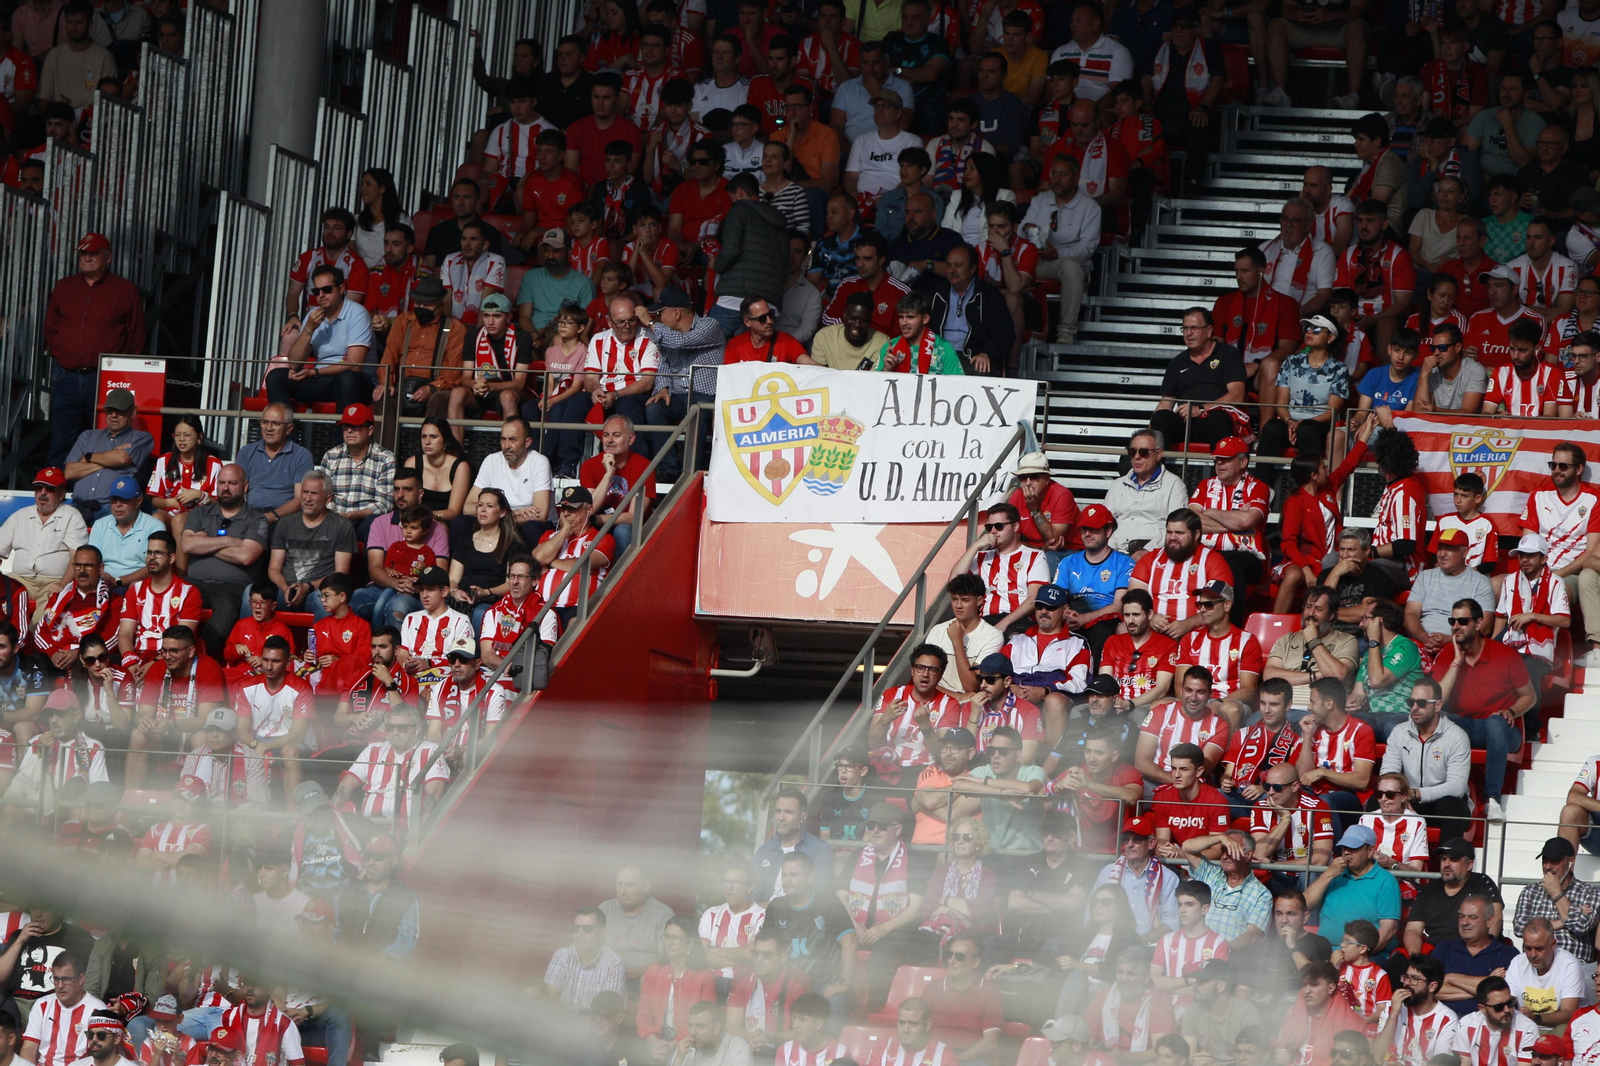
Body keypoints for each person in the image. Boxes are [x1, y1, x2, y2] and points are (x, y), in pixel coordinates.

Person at [43, 232, 145, 470]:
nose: (87, 258)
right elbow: (50, 328)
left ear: (107, 257)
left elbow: (136, 336)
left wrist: (118, 371)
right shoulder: (64, 286)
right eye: (83, 253)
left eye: (93, 253)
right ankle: (53, 487)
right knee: (60, 438)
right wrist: (63, 353)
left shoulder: (125, 289)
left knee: (107, 438)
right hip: (66, 374)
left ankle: (96, 492)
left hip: (105, 378)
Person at [1432, 597, 1535, 824]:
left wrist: (1511, 711)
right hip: (1465, 726)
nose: (1456, 626)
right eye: (1452, 621)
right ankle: (1454, 791)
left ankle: (1492, 800)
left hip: (1502, 728)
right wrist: (1457, 662)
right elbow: (1434, 701)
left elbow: (1530, 696)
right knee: (1437, 719)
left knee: (1495, 721)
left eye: (1463, 621)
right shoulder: (1449, 654)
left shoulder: (1505, 654)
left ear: (1479, 624)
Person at [759, 853, 857, 1021]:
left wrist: (844, 982)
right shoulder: (776, 906)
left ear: (810, 877)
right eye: (785, 875)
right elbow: (764, 945)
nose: (787, 880)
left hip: (822, 987)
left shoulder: (829, 903)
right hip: (787, 984)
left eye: (794, 875)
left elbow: (850, 942)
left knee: (834, 1006)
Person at [269, 265, 373, 413]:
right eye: (316, 291)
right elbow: (294, 363)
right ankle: (288, 432)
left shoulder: (357, 313)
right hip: (322, 379)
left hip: (355, 382)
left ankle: (343, 435)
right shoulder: (313, 315)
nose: (321, 295)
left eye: (327, 290)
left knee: (347, 378)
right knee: (276, 376)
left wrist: (314, 373)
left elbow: (355, 364)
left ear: (342, 289)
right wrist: (308, 329)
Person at [1023, 154, 1099, 345]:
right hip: (1037, 259)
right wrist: (1028, 230)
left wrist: (1057, 254)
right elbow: (1021, 229)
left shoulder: (1090, 207)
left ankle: (1066, 332)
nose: (1056, 179)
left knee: (1071, 267)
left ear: (1076, 177)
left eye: (1063, 174)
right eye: (1054, 173)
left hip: (1066, 263)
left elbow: (1087, 247)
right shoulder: (1040, 200)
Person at [1378, 678, 1473, 829]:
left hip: (1440, 802)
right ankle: (1377, 851)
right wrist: (1400, 795)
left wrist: (1416, 793)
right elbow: (1388, 773)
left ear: (1438, 705)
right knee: (1376, 800)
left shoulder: (1456, 736)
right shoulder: (1399, 732)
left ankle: (1447, 853)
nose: (1414, 708)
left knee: (1452, 806)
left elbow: (1457, 787)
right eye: (1411, 703)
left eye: (1421, 703)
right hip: (1407, 799)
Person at [1129, 509, 1235, 642]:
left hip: (1196, 633)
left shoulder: (1213, 560)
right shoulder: (1150, 559)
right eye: (1169, 532)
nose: (1173, 537)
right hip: (1151, 631)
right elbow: (1132, 599)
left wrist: (1188, 624)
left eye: (1179, 533)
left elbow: (1221, 605)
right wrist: (1150, 617)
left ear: (1196, 534)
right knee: (1122, 630)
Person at [266, 469, 356, 623]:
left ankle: (325, 647)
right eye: (305, 492)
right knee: (253, 594)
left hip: (318, 592)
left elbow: (340, 574)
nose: (307, 498)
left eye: (314, 493)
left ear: (328, 498)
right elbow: (274, 568)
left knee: (328, 601)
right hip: (285, 590)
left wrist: (307, 586)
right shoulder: (285, 523)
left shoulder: (341, 526)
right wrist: (285, 588)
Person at [710, 174, 789, 338]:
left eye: (732, 199)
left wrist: (715, 265)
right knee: (756, 358)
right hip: (769, 303)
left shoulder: (739, 210)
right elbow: (785, 266)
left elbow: (731, 251)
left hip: (734, 297)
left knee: (709, 347)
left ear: (739, 192)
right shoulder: (779, 223)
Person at [62, 389, 153, 526]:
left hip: (112, 508)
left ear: (132, 412)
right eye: (110, 411)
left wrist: (88, 457)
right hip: (78, 507)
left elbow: (122, 459)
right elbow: (69, 472)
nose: (114, 415)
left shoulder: (141, 438)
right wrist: (110, 457)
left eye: (120, 411)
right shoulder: (87, 436)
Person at [1302, 824, 1400, 951]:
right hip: (1324, 952)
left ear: (1370, 851)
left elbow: (1388, 929)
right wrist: (1329, 874)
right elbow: (1304, 905)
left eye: (1353, 848)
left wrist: (1358, 955)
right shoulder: (1333, 874)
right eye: (1344, 847)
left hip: (1364, 956)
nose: (1346, 852)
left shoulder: (1386, 881)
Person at [115, 532, 200, 672]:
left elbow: (183, 640)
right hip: (137, 656)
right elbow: (125, 633)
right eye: (149, 553)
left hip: (171, 660)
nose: (152, 558)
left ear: (172, 558)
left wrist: (154, 664)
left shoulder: (189, 593)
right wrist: (130, 661)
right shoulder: (135, 590)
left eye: (158, 553)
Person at [0, 469, 86, 606]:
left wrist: (63, 582)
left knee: (44, 621)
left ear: (61, 494)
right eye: (38, 488)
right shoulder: (19, 516)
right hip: (19, 579)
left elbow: (78, 555)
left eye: (50, 488)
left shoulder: (72, 516)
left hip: (54, 582)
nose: (43, 492)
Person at [1514, 837, 1600, 969]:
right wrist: (1563, 921)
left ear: (1571, 860)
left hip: (1576, 967)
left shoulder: (1589, 892)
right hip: (1537, 966)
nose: (1548, 866)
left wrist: (1556, 893)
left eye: (1555, 861)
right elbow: (1520, 927)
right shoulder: (1531, 891)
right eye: (1545, 860)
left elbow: (1581, 926)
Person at [1090, 815, 1181, 938]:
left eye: (1137, 839)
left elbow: (1171, 922)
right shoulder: (1107, 872)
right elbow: (1091, 911)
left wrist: (1140, 942)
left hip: (1148, 944)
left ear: (1151, 843)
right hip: (1108, 938)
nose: (1130, 844)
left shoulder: (1168, 878)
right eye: (1125, 839)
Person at [722, 927, 810, 1053]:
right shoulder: (742, 977)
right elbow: (731, 1027)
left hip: (787, 1051)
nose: (759, 960)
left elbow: (806, 1032)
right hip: (748, 1049)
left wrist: (773, 1038)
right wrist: (751, 1037)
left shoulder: (798, 981)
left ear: (783, 958)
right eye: (755, 955)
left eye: (766, 955)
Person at [1430, 896, 1518, 1016]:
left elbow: (1503, 997)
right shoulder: (1444, 949)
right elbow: (1430, 989)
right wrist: (1487, 985)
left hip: (1487, 1025)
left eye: (1472, 917)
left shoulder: (1508, 955)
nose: (1465, 922)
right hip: (1443, 1021)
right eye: (1462, 916)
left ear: (1489, 921)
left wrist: (1451, 978)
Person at [18, 952, 105, 1066]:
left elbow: (101, 1057)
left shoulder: (98, 1010)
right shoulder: (42, 1005)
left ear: (81, 979)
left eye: (66, 979)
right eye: (56, 979)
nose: (59, 985)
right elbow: (28, 1049)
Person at [1275, 962, 1367, 1066]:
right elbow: (1282, 1058)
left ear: (1331, 988)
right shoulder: (1292, 1013)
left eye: (1314, 985)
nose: (1307, 991)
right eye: (1305, 985)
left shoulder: (1352, 1022)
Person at [752, 789, 834, 903]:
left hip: (799, 916)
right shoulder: (765, 850)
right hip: (761, 916)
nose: (781, 818)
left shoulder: (819, 849)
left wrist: (771, 908)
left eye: (788, 812)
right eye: (778, 811)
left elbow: (819, 893)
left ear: (803, 817)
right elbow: (751, 892)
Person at [235, 406, 314, 523]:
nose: (269, 428)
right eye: (265, 422)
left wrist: (272, 516)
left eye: (276, 423)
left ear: (289, 428)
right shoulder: (246, 452)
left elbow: (300, 498)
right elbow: (237, 491)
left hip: (286, 519)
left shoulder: (302, 456)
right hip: (250, 515)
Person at [1505, 917, 1586, 1028]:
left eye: (1539, 948)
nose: (1532, 954)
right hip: (1525, 1029)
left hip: (1558, 1029)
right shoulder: (1518, 962)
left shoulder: (1569, 965)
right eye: (1528, 948)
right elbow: (1509, 999)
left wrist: (1535, 1018)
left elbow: (1569, 1013)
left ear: (1553, 944)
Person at [542, 907, 627, 1012]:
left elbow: (606, 1014)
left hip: (593, 1026)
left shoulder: (614, 964)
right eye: (575, 928)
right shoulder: (562, 956)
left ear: (602, 931)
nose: (579, 933)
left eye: (587, 929)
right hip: (560, 1023)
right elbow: (548, 999)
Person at [86, 477, 162, 587]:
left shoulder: (154, 526)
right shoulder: (100, 524)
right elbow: (92, 561)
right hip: (103, 583)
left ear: (138, 501)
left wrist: (118, 581)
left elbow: (155, 565)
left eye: (124, 500)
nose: (118, 504)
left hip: (138, 584)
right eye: (114, 499)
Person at [1451, 977, 1539, 1064]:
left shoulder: (1527, 1028)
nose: (1507, 1010)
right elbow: (1463, 1063)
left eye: (1510, 1003)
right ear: (1482, 1008)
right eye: (1499, 1007)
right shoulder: (1466, 1025)